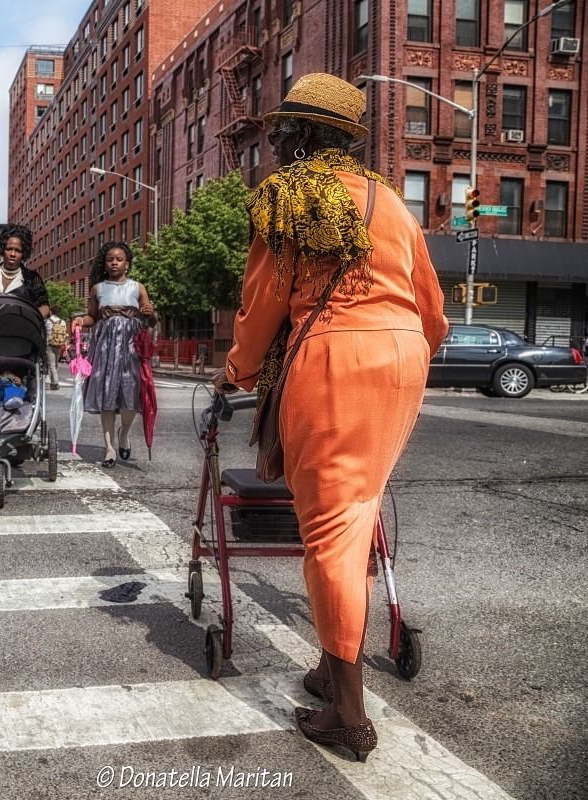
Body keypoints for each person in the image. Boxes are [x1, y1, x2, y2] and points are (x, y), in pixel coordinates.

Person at [212, 73, 448, 761]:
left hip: (334, 358)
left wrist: (239, 373)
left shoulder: (290, 195)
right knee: (357, 512)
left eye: (287, 132)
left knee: (332, 532)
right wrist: (403, 355)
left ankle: (349, 715)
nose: (279, 143)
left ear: (308, 135)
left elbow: (263, 303)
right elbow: (431, 308)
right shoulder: (390, 202)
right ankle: (328, 663)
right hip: (402, 358)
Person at [71, 242, 155, 467]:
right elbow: (92, 317)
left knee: (131, 394)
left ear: (127, 264)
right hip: (105, 346)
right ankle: (109, 447)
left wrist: (151, 313)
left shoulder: (138, 288)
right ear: (105, 264)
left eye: (119, 259)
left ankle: (124, 433)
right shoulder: (98, 289)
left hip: (130, 346)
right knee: (106, 394)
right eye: (110, 259)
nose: (114, 262)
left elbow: (151, 319)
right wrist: (81, 320)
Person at [0, 224, 52, 318]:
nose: (12, 254)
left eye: (18, 250)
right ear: (2, 249)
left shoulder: (32, 278)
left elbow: (44, 306)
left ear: (24, 253)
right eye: (9, 249)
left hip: (21, 331)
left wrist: (34, 318)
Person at [45, 310, 68, 389]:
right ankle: (52, 383)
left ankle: (55, 382)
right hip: (59, 345)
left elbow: (44, 332)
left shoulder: (48, 321)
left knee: (51, 365)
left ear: (51, 312)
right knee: (55, 364)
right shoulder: (63, 322)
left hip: (50, 345)